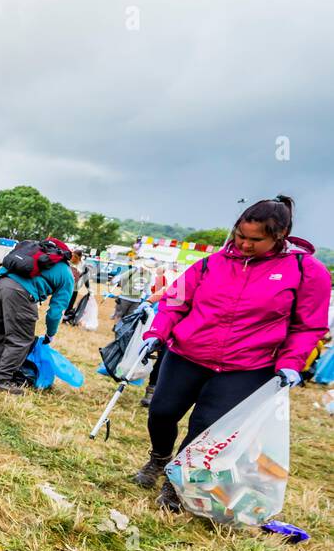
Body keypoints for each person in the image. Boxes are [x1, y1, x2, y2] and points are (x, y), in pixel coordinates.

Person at [132, 196, 331, 511]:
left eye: (256, 240)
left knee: (206, 428)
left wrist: (291, 364)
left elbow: (308, 327)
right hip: (187, 353)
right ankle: (158, 458)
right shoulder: (212, 262)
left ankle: (176, 484)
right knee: (162, 412)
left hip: (247, 367)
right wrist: (156, 331)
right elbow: (175, 300)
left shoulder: (307, 272)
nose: (245, 245)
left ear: (280, 237)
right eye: (241, 236)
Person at [0, 239, 75, 394]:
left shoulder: (32, 254)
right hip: (20, 293)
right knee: (21, 340)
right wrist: (50, 334)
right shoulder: (66, 274)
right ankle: (0, 380)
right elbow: (55, 313)